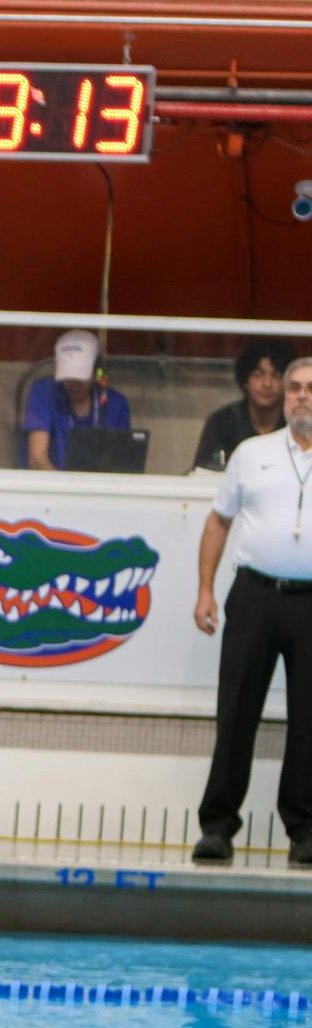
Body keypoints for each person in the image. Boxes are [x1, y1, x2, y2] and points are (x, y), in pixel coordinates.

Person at [190, 357, 312, 867]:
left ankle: (305, 831)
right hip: (254, 595)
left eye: (311, 389)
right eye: (295, 388)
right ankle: (217, 828)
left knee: (310, 720)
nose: (302, 396)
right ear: (283, 397)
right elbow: (219, 522)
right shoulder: (251, 453)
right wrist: (205, 590)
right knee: (236, 713)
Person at [24, 329, 131, 470]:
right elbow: (37, 459)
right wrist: (65, 490)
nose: (74, 385)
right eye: (67, 378)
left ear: (96, 372)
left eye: (80, 379)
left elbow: (123, 463)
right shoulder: (44, 392)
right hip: (52, 487)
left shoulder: (116, 403)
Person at [195, 338, 297, 471]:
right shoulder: (222, 422)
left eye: (276, 375)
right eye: (258, 374)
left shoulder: (296, 423)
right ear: (245, 381)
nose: (267, 383)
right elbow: (203, 471)